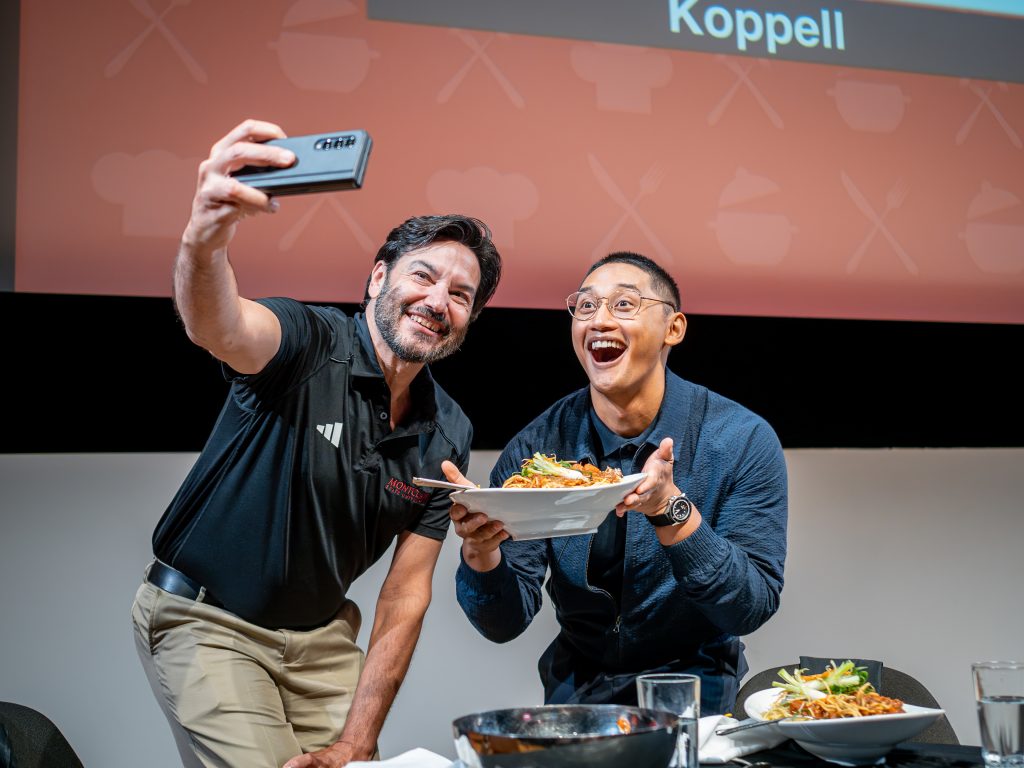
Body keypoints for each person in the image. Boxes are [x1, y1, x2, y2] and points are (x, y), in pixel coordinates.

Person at [131, 119, 502, 768]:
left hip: (324, 642)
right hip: (210, 623)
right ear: (377, 279)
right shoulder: (308, 341)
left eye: (461, 294)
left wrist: (358, 741)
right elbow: (217, 323)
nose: (438, 300)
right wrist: (205, 233)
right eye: (423, 275)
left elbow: (404, 595)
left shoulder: (449, 431)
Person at [443, 252, 787, 715]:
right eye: (585, 307)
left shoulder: (739, 439)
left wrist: (671, 509)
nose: (599, 320)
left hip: (698, 691)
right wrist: (481, 552)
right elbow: (503, 623)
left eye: (624, 305)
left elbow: (749, 606)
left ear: (674, 328)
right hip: (580, 691)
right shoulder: (536, 450)